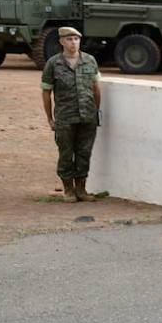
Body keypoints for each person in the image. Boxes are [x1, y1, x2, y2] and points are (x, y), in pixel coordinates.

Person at [40, 27, 101, 202]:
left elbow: (96, 88)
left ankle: (81, 189)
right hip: (65, 118)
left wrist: (96, 112)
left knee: (84, 153)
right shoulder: (53, 63)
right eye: (69, 39)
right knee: (66, 153)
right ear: (61, 42)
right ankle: (68, 190)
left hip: (87, 116)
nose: (73, 42)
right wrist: (50, 119)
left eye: (76, 39)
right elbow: (46, 92)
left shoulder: (90, 61)